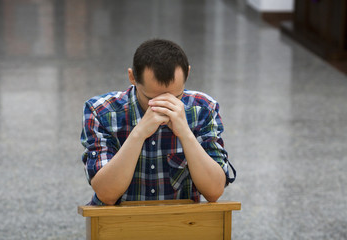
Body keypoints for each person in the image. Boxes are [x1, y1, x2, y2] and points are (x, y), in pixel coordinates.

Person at [80, 39, 235, 205]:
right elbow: (106, 194)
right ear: (132, 77)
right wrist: (138, 134)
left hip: (184, 224)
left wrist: (185, 133)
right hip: (116, 224)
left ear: (187, 74)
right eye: (152, 99)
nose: (164, 106)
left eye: (175, 97)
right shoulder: (102, 111)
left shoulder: (204, 108)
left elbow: (214, 191)